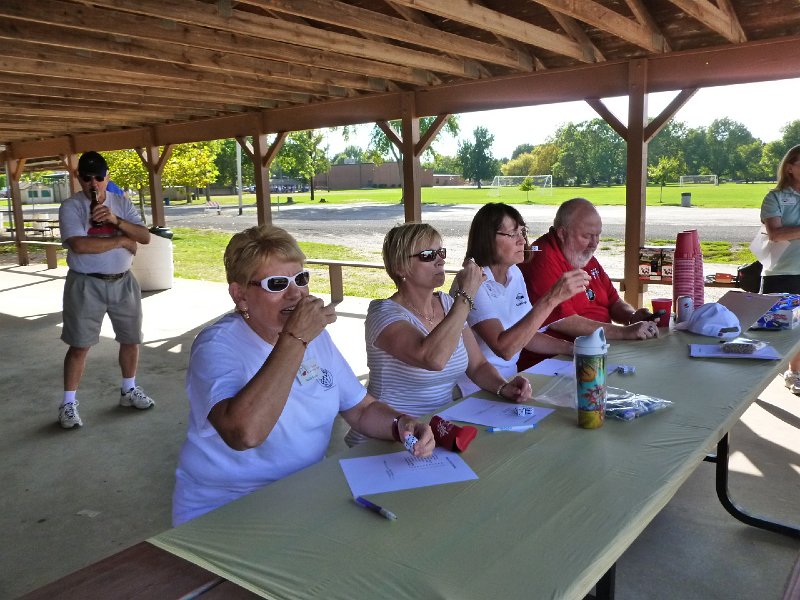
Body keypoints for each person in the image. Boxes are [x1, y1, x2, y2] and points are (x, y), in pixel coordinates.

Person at [172, 225, 434, 525]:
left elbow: (360, 408)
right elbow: (244, 433)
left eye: (300, 278)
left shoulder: (315, 336)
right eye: (277, 284)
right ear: (240, 295)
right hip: (229, 505)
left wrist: (401, 424)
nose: (295, 293)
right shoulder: (217, 346)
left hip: (304, 492)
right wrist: (295, 339)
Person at [344, 223, 532, 447]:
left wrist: (503, 387)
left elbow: (477, 366)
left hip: (438, 431)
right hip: (388, 437)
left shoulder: (448, 303)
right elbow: (432, 358)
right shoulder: (383, 313)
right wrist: (467, 295)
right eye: (428, 255)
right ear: (400, 267)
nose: (440, 260)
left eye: (440, 252)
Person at [57, 151, 153, 429]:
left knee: (131, 339)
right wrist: (122, 241)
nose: (93, 183)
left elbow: (145, 236)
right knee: (80, 345)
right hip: (86, 283)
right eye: (87, 178)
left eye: (99, 177)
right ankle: (68, 403)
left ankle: (128, 389)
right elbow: (80, 245)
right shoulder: (71, 207)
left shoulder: (121, 203)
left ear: (107, 177)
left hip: (123, 281)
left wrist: (116, 221)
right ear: (79, 179)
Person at [456, 203, 589, 396]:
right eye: (513, 234)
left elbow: (526, 335)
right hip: (476, 389)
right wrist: (552, 298)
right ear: (487, 239)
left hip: (511, 382)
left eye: (523, 231)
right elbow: (504, 348)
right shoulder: (473, 280)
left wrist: (573, 348)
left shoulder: (514, 273)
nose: (522, 240)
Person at [519, 197, 660, 370]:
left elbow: (613, 301)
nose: (594, 243)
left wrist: (632, 317)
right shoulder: (542, 258)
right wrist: (624, 332)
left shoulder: (581, 253)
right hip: (558, 362)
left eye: (598, 235)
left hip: (596, 350)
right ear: (562, 233)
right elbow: (563, 321)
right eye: (587, 236)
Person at [760, 145, 800, 394]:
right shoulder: (774, 197)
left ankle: (794, 373)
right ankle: (756, 378)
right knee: (773, 329)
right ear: (790, 168)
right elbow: (775, 234)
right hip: (781, 273)